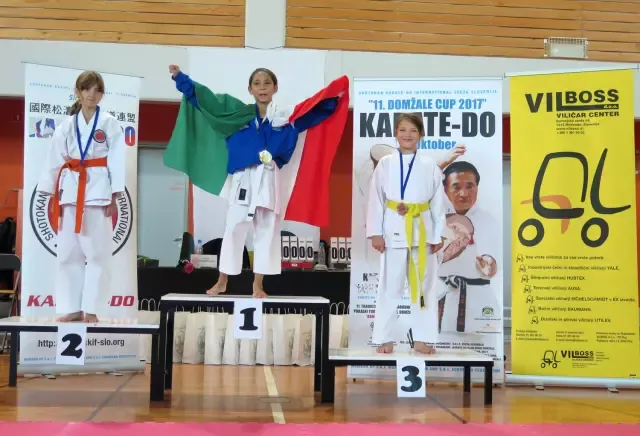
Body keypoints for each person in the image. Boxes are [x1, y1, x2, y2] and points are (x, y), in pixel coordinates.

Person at [166, 65, 349, 298]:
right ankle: (222, 280)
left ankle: (258, 284)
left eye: (267, 83)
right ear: (250, 89)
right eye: (257, 83)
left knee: (267, 231)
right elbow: (205, 101)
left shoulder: (286, 118)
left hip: (269, 178)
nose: (262, 87)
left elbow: (314, 110)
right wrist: (180, 78)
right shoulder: (236, 115)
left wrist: (335, 96)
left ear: (275, 88)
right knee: (233, 228)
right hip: (243, 178)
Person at [37, 71, 125, 323]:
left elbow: (117, 159)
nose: (91, 94)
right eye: (87, 89)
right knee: (68, 253)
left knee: (97, 254)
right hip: (71, 191)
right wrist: (48, 191)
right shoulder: (67, 125)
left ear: (102, 94)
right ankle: (72, 307)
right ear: (78, 92)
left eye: (97, 90)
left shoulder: (109, 123)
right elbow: (55, 158)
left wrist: (114, 193)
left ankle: (93, 309)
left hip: (98, 192)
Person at [367, 113, 447, 354]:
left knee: (423, 288)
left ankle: (422, 338)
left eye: (413, 130)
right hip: (392, 229)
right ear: (396, 133)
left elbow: (438, 202)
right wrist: (375, 233)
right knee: (389, 287)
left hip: (423, 231)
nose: (407, 135)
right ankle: (384, 338)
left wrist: (438, 234)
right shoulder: (385, 163)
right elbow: (376, 199)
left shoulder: (430, 165)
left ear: (421, 134)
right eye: (402, 130)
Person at [437, 160, 500, 335]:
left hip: (478, 298)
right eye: (456, 187)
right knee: (439, 346)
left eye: (470, 186)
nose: (463, 193)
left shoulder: (488, 221)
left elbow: (491, 255)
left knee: (482, 343)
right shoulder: (435, 219)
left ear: (477, 188)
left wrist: (489, 263)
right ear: (445, 189)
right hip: (441, 295)